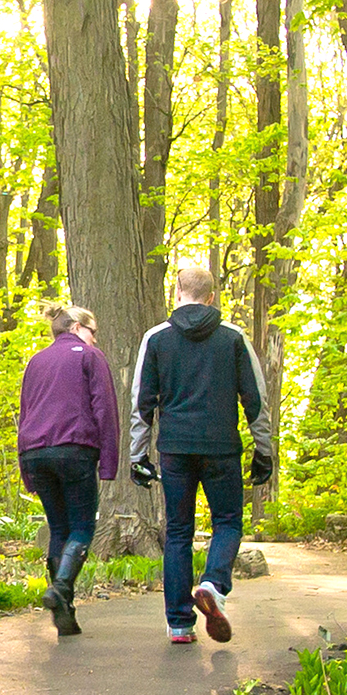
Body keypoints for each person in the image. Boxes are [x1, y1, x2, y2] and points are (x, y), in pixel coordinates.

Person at [128, 267, 274, 645]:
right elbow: (255, 401)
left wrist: (137, 455)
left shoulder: (156, 339)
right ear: (212, 297)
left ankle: (179, 623)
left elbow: (142, 402)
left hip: (175, 448)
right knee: (227, 521)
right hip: (221, 447)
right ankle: (213, 584)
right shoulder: (233, 338)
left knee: (178, 531)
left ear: (177, 292)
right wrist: (264, 451)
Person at [17, 303, 122, 637]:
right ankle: (61, 587)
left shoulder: (35, 361)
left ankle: (65, 610)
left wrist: (25, 467)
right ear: (77, 327)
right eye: (93, 332)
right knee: (81, 527)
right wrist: (109, 462)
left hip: (36, 452)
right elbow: (105, 409)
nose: (95, 338)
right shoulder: (90, 357)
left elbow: (25, 413)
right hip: (74, 448)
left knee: (58, 527)